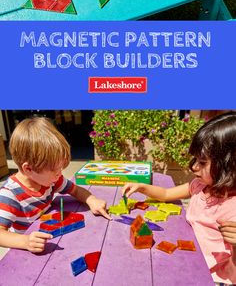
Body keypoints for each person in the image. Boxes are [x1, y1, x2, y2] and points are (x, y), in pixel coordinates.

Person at [122, 112, 236, 285]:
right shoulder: (200, 186)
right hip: (187, 257)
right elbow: (167, 194)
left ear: (230, 165)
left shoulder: (232, 208)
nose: (194, 167)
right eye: (196, 159)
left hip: (212, 278)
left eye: (203, 162)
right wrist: (141, 186)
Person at [0, 117, 111, 253]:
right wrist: (25, 241)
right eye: (54, 170)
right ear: (28, 169)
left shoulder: (51, 181)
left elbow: (75, 190)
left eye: (61, 169)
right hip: (27, 251)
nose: (60, 174)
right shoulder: (10, 195)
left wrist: (91, 200)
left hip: (51, 235)